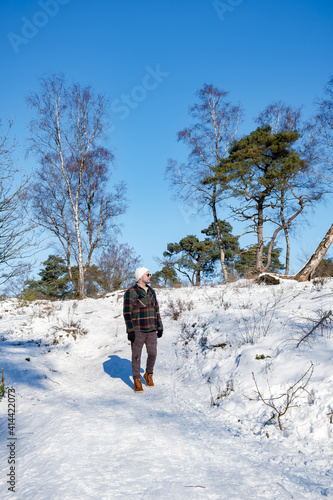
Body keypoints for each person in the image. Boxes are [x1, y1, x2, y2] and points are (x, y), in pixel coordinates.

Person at [123, 267, 163, 392]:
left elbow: (156, 310)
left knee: (153, 354)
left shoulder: (152, 292)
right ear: (140, 277)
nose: (150, 276)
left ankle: (148, 374)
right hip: (138, 330)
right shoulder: (131, 292)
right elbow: (127, 312)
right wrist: (130, 330)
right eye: (148, 274)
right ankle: (137, 379)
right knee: (136, 356)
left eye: (150, 274)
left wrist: (160, 326)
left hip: (151, 329)